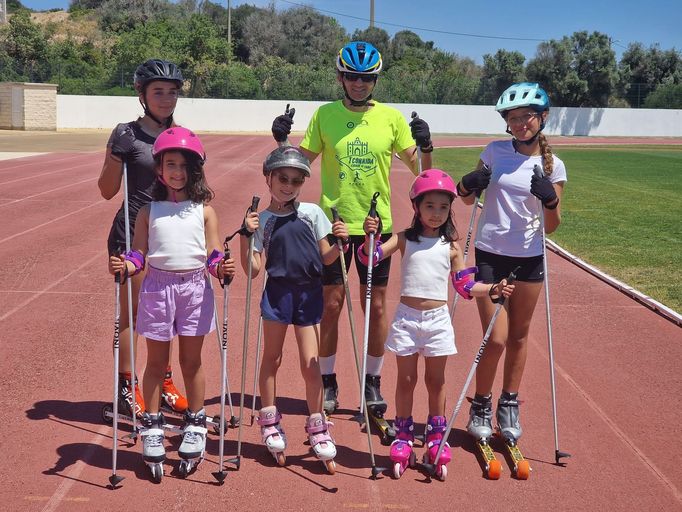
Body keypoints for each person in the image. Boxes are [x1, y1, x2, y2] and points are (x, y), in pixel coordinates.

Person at [270, 41, 434, 420]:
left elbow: (422, 172)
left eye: (366, 78)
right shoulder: (325, 115)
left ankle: (372, 380)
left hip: (378, 228)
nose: (359, 83)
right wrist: (282, 140)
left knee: (375, 308)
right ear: (340, 77)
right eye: (352, 76)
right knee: (331, 305)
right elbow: (297, 163)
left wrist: (426, 145)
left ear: (374, 80)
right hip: (335, 226)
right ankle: (328, 379)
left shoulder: (391, 119)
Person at [362, 169, 515, 479]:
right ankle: (404, 432)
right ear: (416, 207)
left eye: (443, 207)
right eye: (429, 206)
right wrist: (370, 237)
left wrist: (492, 289)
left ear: (450, 211)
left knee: (436, 380)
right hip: (407, 318)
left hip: (437, 320)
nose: (436, 213)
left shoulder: (452, 246)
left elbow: (464, 286)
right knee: (406, 380)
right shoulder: (405, 239)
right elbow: (371, 259)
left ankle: (435, 432)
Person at [109, 127, 235, 478]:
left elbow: (211, 254)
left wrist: (220, 266)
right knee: (155, 362)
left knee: (191, 361)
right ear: (159, 169)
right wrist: (127, 264)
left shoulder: (204, 211)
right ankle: (151, 424)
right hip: (157, 288)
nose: (177, 171)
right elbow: (139, 254)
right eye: (170, 164)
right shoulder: (148, 211)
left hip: (194, 288)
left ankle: (195, 420)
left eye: (184, 165)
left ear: (194, 170)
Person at [457, 82, 566, 444]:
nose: (520, 124)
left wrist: (550, 201)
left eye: (527, 117)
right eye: (514, 118)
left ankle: (509, 404)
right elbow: (467, 196)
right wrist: (468, 183)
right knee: (496, 337)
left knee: (519, 336)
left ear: (542, 118)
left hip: (530, 258)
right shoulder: (494, 151)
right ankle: (481, 405)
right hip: (490, 254)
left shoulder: (554, 166)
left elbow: (552, 226)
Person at [240, 146, 349, 472]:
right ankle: (269, 419)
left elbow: (328, 257)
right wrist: (247, 236)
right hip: (277, 294)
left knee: (310, 362)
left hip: (308, 295)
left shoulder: (313, 213)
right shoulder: (263, 220)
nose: (288, 186)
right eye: (282, 179)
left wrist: (341, 239)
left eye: (295, 181)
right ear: (269, 178)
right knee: (272, 357)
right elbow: (254, 269)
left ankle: (317, 423)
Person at [98, 59, 189, 419]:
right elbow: (107, 191)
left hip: (168, 236)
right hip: (130, 235)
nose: (166, 99)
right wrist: (113, 152)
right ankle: (125, 386)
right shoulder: (127, 134)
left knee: (167, 314)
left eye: (172, 92)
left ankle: (163, 380)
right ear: (141, 94)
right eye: (158, 92)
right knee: (134, 315)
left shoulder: (180, 134)